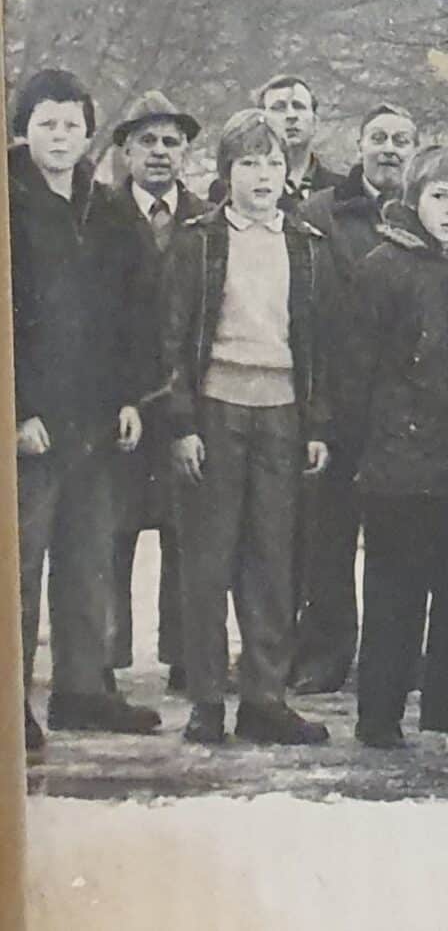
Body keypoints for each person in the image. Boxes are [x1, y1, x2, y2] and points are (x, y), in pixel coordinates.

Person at [161, 108, 334, 747]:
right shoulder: (198, 240)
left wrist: (317, 424)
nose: (262, 175)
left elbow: (318, 343)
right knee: (208, 556)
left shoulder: (307, 244)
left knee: (273, 558)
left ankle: (265, 697)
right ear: (225, 171)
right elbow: (173, 338)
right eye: (248, 162)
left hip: (282, 413)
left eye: (272, 162)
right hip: (216, 409)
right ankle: (207, 698)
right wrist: (182, 423)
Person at [12, 68, 162, 747]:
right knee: (20, 563)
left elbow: (136, 312)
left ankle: (80, 689)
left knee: (87, 557)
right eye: (47, 123)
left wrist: (132, 397)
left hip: (95, 420)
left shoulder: (108, 210)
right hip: (31, 425)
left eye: (72, 124)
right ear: (23, 129)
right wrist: (18, 409)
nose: (61, 136)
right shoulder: (9, 204)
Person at [341, 146, 448, 750]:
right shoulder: (383, 267)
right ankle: (379, 714)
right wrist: (375, 446)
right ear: (415, 200)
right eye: (440, 196)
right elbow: (356, 369)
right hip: (401, 465)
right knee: (395, 595)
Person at [289, 101, 417, 695]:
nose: (389, 149)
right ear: (359, 145)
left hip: (403, 407)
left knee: (397, 538)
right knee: (330, 538)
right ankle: (326, 652)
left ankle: (393, 657)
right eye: (379, 138)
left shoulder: (429, 213)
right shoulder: (323, 213)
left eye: (401, 140)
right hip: (340, 400)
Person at [105, 90, 204, 697]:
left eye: (171, 142)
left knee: (188, 529)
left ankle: (187, 654)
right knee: (111, 528)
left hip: (188, 396)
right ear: (124, 151)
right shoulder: (103, 213)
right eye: (148, 141)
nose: (160, 153)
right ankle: (103, 657)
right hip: (123, 396)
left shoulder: (205, 215)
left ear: (187, 151)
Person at [255, 74, 339, 205]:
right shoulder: (240, 189)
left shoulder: (341, 192)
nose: (291, 115)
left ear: (315, 122)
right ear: (261, 122)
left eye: (299, 106)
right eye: (279, 107)